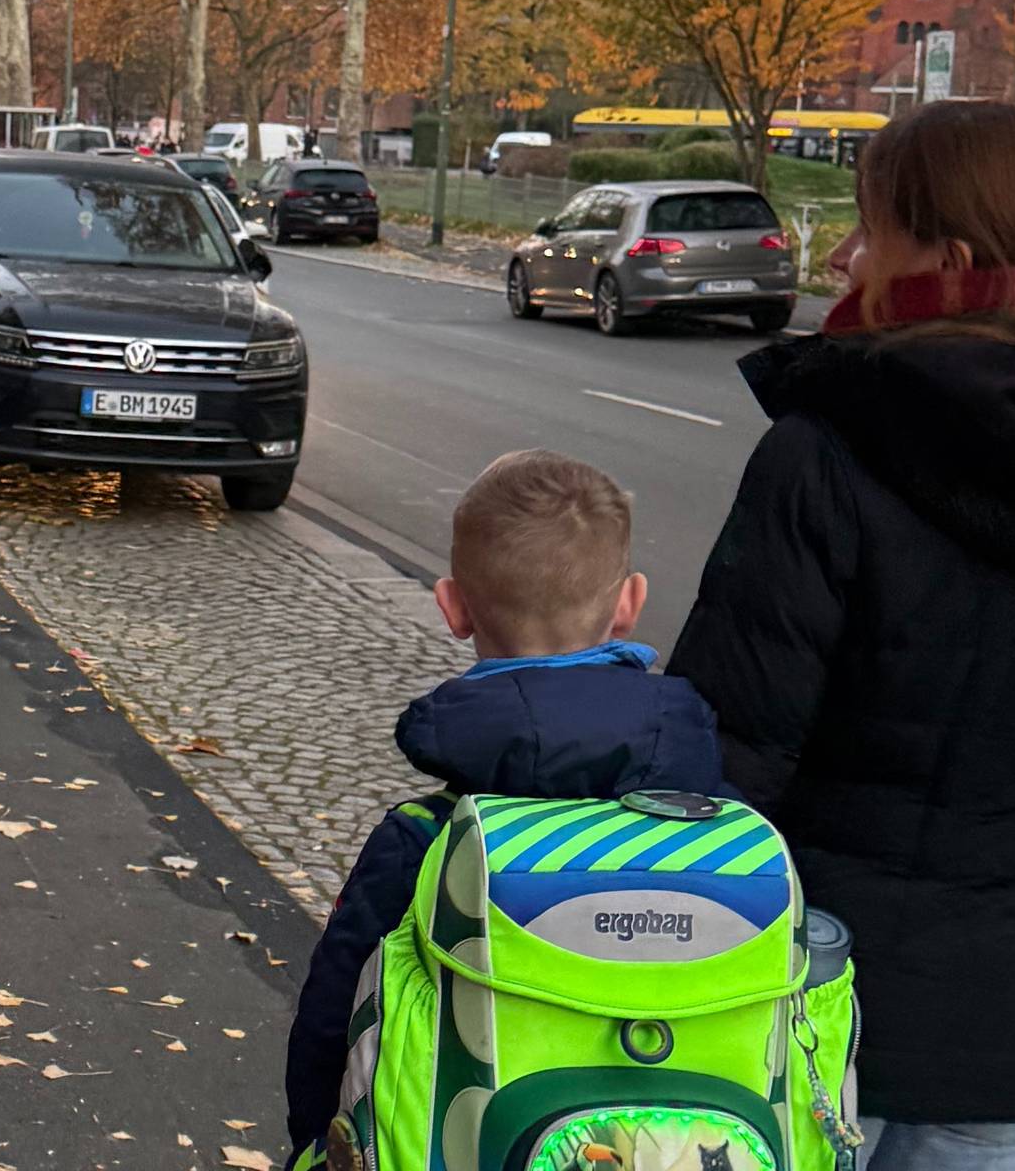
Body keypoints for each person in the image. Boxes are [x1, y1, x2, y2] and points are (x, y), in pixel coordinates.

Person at [666, 100, 1015, 1171]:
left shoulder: (829, 453)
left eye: (871, 229)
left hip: (806, 1009)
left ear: (953, 261)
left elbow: (725, 765)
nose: (841, 255)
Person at [283, 450, 730, 1159]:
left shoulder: (427, 840)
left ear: (452, 606)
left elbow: (333, 1026)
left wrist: (319, 1143)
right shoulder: (723, 826)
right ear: (629, 603)